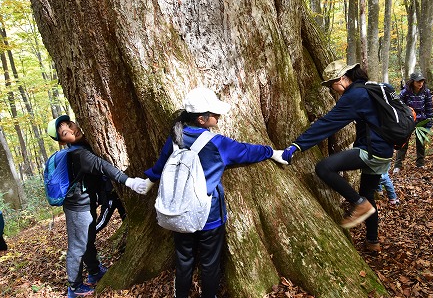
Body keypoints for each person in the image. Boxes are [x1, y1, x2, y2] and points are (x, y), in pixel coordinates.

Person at [144, 87, 286, 298]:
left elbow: (161, 165)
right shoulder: (216, 143)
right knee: (210, 262)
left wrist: (149, 179)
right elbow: (246, 151)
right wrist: (272, 152)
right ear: (202, 119)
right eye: (215, 114)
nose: (219, 116)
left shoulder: (176, 137)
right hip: (208, 215)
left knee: (184, 259)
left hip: (178, 212)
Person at [281, 61, 393, 254]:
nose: (333, 89)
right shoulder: (370, 89)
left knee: (324, 168)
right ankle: (372, 240)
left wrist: (297, 145)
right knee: (367, 193)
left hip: (372, 151)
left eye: (332, 84)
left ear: (341, 79)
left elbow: (328, 123)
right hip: (385, 151)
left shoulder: (354, 96)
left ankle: (359, 205)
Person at [47, 115, 150, 298]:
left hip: (85, 204)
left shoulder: (80, 147)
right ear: (63, 142)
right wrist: (129, 182)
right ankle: (74, 287)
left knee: (87, 241)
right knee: (78, 246)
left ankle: (94, 272)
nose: (72, 130)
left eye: (70, 125)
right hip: (78, 208)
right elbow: (102, 166)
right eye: (65, 132)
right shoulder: (79, 154)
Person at [393, 72, 433, 174]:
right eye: (418, 81)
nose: (420, 83)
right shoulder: (405, 92)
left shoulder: (426, 92)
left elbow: (429, 107)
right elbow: (398, 106)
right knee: (403, 143)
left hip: (422, 121)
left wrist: (429, 122)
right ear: (413, 82)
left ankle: (420, 163)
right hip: (408, 121)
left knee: (420, 143)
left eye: (422, 81)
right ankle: (398, 165)